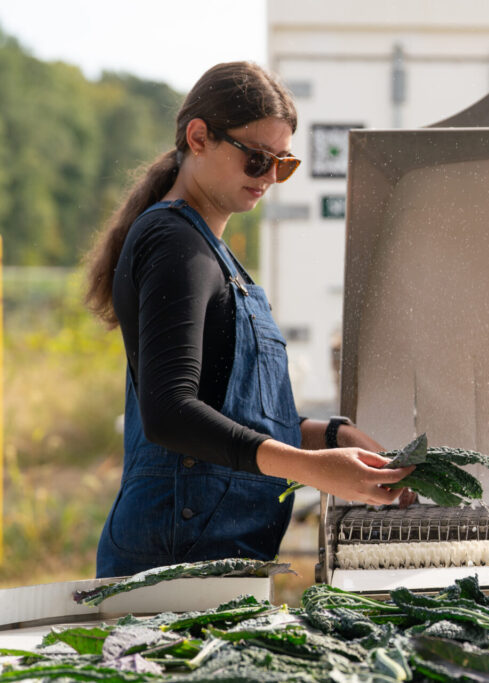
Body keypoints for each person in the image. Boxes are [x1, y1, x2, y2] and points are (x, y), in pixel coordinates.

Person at [84, 62, 414, 578]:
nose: (269, 179)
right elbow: (169, 412)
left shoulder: (209, 250)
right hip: (175, 562)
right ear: (199, 137)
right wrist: (313, 471)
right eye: (258, 160)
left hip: (211, 553)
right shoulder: (174, 242)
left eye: (283, 164)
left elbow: (234, 418)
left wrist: (331, 437)